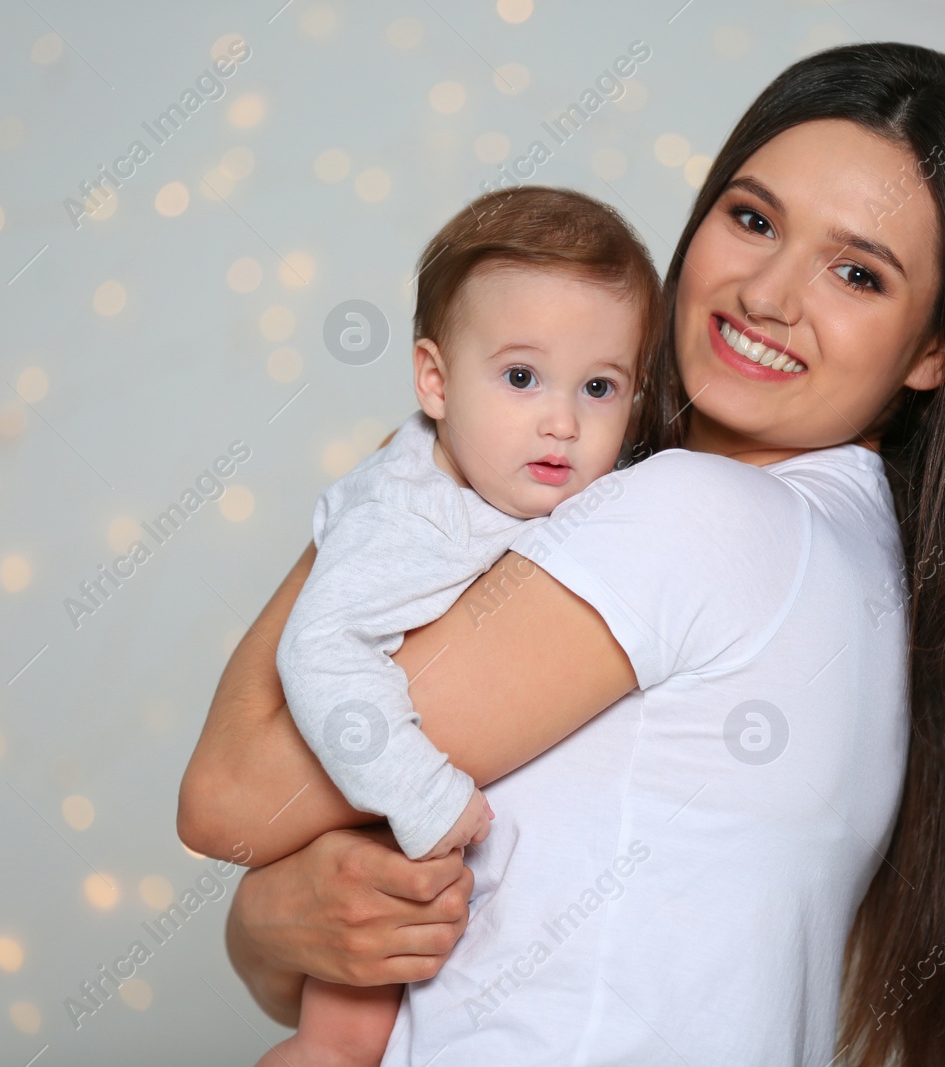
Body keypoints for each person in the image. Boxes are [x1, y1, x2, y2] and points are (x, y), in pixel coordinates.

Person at [180, 41, 945, 1066]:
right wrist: (268, 928)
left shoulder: (699, 518)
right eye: (751, 219)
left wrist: (410, 468)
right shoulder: (848, 557)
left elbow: (230, 796)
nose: (767, 294)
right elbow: (423, 933)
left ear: (936, 347)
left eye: (854, 272)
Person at [269, 185, 661, 1064]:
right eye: (521, 377)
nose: (562, 420)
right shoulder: (409, 516)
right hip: (371, 811)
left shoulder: (521, 478)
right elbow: (319, 646)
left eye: (600, 387)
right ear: (435, 381)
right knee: (338, 1042)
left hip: (446, 822)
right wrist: (422, 796)